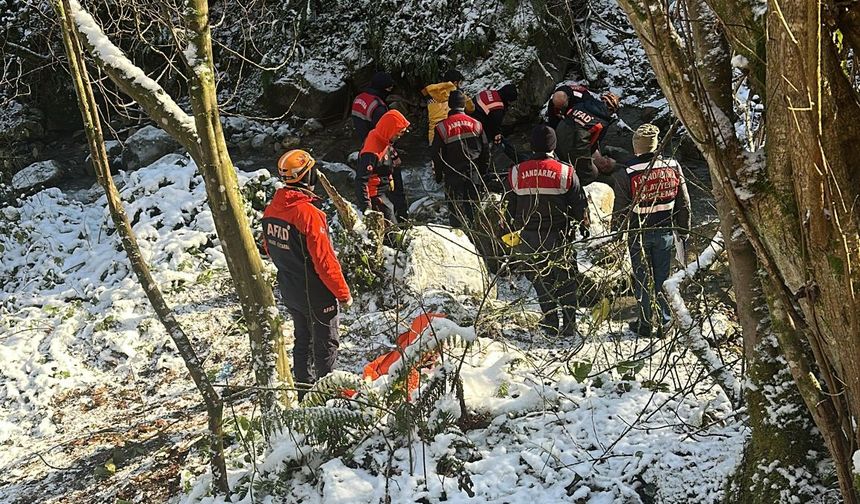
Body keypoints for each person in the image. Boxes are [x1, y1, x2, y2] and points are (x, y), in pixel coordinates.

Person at [262, 149, 352, 396]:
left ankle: (304, 395)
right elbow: (325, 261)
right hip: (315, 291)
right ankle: (327, 401)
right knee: (325, 347)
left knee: (302, 342)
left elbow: (269, 248)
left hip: (290, 288)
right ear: (307, 175)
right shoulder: (308, 214)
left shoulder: (272, 209)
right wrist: (343, 294)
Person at [505, 125, 589, 336]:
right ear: (554, 145)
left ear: (532, 145)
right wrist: (583, 225)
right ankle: (569, 325)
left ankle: (551, 323)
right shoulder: (565, 171)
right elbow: (580, 204)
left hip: (529, 237)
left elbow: (510, 206)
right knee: (568, 280)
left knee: (542, 282)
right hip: (559, 236)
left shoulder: (517, 172)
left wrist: (507, 228)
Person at [612, 124, 691, 338]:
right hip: (666, 230)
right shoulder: (672, 166)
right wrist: (684, 230)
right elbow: (683, 202)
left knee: (642, 278)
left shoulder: (626, 171)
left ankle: (645, 323)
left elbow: (621, 207)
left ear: (636, 146)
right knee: (663, 279)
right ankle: (664, 322)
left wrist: (615, 234)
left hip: (638, 233)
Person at [431, 90, 489, 227]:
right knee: (474, 210)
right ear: (464, 105)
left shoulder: (441, 127)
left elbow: (436, 154)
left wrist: (438, 176)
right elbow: (486, 150)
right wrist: (483, 172)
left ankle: (459, 240)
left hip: (452, 174)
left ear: (450, 105)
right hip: (473, 173)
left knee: (455, 212)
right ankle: (477, 240)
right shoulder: (476, 124)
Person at [555, 90, 621, 186]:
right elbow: (593, 144)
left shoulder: (580, 105)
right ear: (611, 110)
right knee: (592, 174)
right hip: (576, 149)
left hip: (557, 141)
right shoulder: (602, 123)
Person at [356, 109, 411, 223]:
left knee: (400, 210)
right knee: (391, 227)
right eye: (399, 132)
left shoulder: (381, 137)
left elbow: (388, 147)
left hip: (386, 187)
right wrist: (367, 207)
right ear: (390, 130)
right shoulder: (371, 152)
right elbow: (361, 180)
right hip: (375, 194)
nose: (400, 136)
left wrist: (394, 157)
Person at [421, 69, 475, 145]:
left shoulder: (432, 92)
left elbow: (425, 91)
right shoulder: (459, 95)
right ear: (456, 83)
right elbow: (471, 109)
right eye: (460, 83)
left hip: (434, 136)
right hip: (452, 134)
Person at [352, 71, 395, 143]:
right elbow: (384, 133)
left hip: (363, 139)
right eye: (389, 89)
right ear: (381, 88)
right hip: (374, 144)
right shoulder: (378, 106)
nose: (391, 90)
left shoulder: (358, 98)